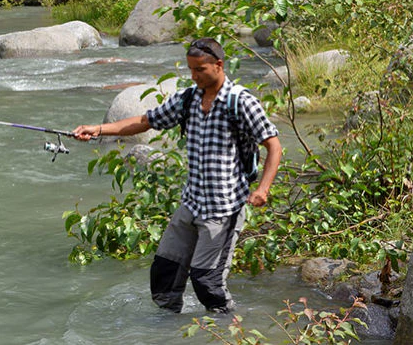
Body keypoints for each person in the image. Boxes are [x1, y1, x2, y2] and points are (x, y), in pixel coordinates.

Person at [72, 38, 282, 313]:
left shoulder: (240, 102)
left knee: (208, 284)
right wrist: (99, 130)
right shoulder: (188, 99)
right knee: (164, 275)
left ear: (219, 65)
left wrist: (263, 189)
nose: (194, 76)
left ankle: (228, 327)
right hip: (191, 204)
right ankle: (167, 330)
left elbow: (273, 145)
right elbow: (144, 121)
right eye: (191, 69)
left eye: (200, 69)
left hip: (223, 209)